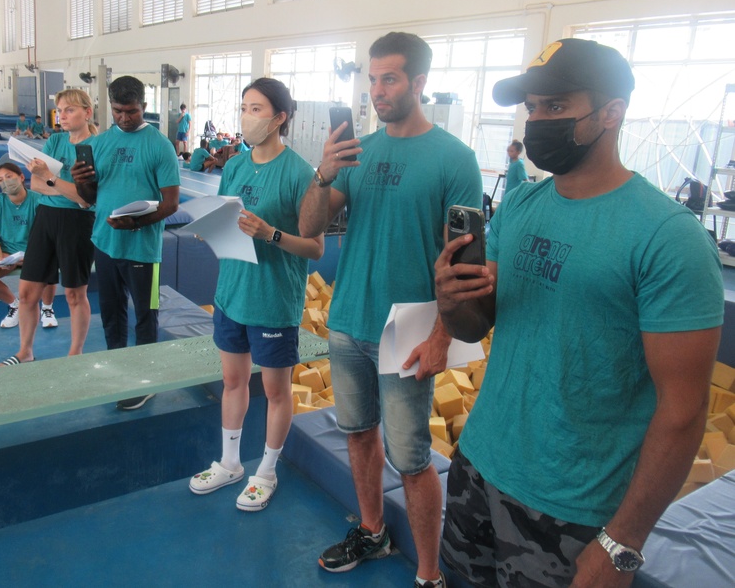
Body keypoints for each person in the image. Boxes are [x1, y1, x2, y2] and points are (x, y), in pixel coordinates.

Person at [434, 38, 724, 588]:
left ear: (612, 113)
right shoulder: (521, 206)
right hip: (479, 465)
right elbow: (476, 325)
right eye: (534, 107)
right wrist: (452, 301)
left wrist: (622, 544)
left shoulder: (668, 239)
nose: (539, 120)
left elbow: (683, 412)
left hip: (572, 507)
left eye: (558, 107)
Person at [299, 32, 482, 587]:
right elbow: (310, 228)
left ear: (419, 82)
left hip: (409, 327)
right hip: (350, 317)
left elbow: (467, 263)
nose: (377, 91)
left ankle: (429, 573)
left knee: (411, 457)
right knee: (357, 433)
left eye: (390, 79)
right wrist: (324, 172)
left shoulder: (455, 159)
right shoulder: (359, 152)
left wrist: (443, 336)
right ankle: (373, 531)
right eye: (372, 79)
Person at [189, 78, 324, 512]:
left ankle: (265, 471)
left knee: (275, 391)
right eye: (244, 107)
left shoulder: (301, 173)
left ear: (279, 117)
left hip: (272, 301)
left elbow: (315, 247)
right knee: (232, 381)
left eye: (256, 109)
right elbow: (228, 220)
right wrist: (209, 230)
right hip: (231, 293)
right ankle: (230, 463)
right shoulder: (235, 166)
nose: (247, 116)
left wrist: (270, 233)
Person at [73, 76, 180, 410]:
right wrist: (81, 182)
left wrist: (135, 223)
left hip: (143, 252)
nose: (124, 118)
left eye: (131, 111)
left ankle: (146, 380)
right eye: (118, 111)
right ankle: (120, 372)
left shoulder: (159, 145)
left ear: (144, 108)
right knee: (112, 314)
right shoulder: (100, 143)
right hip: (105, 246)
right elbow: (91, 198)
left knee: (146, 315)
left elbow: (171, 204)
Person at [0, 89, 96, 366]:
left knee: (76, 294)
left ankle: (75, 354)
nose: (62, 116)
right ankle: (25, 351)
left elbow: (86, 199)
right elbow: (36, 184)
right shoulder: (54, 140)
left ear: (87, 113)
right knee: (28, 293)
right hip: (46, 219)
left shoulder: (95, 147)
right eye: (60, 110)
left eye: (70, 110)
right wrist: (64, 187)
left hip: (77, 223)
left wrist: (53, 181)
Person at [0, 161, 58, 329]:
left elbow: (46, 236)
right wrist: (1, 258)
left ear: (21, 177)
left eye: (9, 177)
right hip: (7, 252)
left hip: (36, 251)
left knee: (49, 265)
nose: (5, 182)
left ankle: (47, 308)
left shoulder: (38, 200)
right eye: (0, 180)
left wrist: (29, 257)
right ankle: (14, 305)